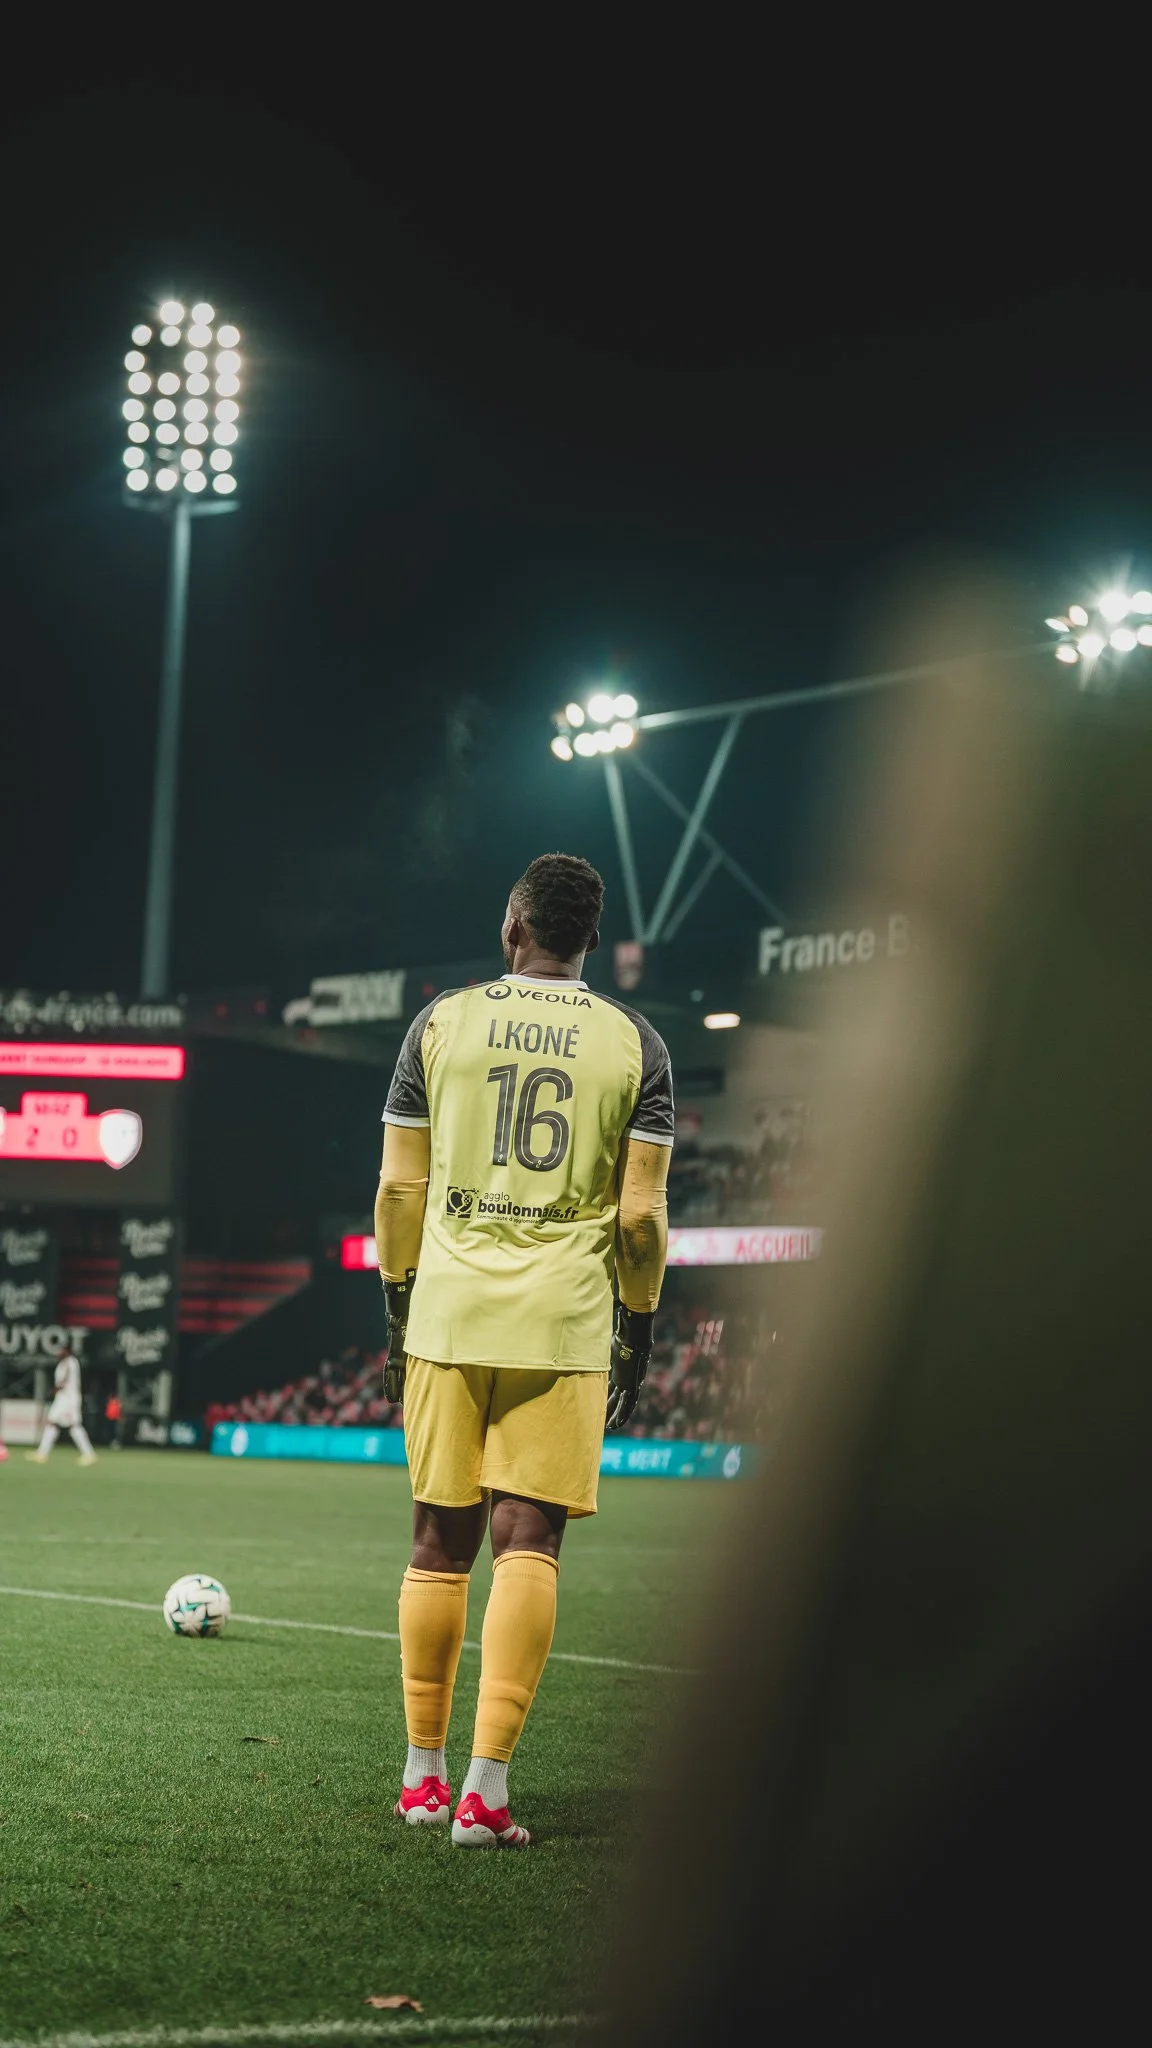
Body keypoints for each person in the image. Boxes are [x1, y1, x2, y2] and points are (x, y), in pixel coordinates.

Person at [375, 852, 674, 1847]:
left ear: (514, 929)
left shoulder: (441, 1021)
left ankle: (421, 1776)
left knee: (437, 1541)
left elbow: (398, 1191)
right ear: (590, 939)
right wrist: (636, 1320)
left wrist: (395, 1299)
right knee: (528, 1542)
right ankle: (485, 1794)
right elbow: (639, 1215)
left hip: (450, 1313)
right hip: (562, 1322)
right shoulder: (638, 1044)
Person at [27, 1343, 97, 1464]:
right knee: (53, 1423)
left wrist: (54, 1390)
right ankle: (42, 1453)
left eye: (61, 1350)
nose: (59, 1352)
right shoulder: (62, 1363)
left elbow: (65, 1378)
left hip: (69, 1398)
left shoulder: (71, 1362)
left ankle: (89, 1454)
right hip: (62, 1398)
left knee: (74, 1425)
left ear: (67, 1351)